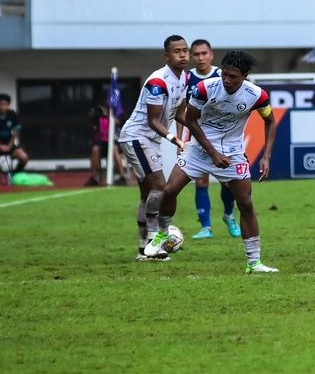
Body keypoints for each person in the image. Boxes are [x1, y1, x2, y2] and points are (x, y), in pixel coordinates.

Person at [144, 50, 279, 273]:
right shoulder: (205, 88)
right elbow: (191, 120)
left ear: (244, 76)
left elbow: (270, 121)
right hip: (199, 149)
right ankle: (162, 234)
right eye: (225, 74)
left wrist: (266, 157)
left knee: (245, 204)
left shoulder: (257, 95)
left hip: (233, 153)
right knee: (169, 190)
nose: (227, 79)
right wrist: (213, 153)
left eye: (233, 76)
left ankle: (254, 263)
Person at [118, 35, 189, 261]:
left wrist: (197, 132)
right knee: (159, 186)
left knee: (147, 193)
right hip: (137, 137)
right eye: (177, 51)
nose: (183, 55)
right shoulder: (158, 82)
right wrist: (172, 139)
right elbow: (153, 121)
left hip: (150, 140)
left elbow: (180, 114)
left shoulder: (184, 78)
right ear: (166, 56)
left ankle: (143, 249)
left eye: (185, 50)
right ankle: (152, 243)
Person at [185, 39, 241, 240]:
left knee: (228, 183)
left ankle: (229, 215)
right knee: (200, 181)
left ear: (211, 55)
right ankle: (206, 227)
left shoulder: (223, 75)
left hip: (222, 138)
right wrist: (180, 140)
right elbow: (184, 112)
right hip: (198, 136)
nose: (200, 58)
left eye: (204, 53)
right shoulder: (187, 78)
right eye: (196, 54)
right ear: (192, 56)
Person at [0, 93, 29, 185]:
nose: (2, 107)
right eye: (0, 104)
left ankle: (15, 174)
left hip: (10, 145)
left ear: (8, 105)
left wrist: (9, 146)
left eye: (5, 104)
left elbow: (15, 132)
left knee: (24, 157)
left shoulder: (12, 114)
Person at [84, 102, 127, 187]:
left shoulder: (113, 116)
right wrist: (93, 115)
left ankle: (122, 177)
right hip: (101, 143)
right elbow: (91, 126)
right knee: (95, 150)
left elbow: (118, 123)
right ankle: (94, 177)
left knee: (114, 149)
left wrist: (108, 115)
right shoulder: (98, 117)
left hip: (112, 142)